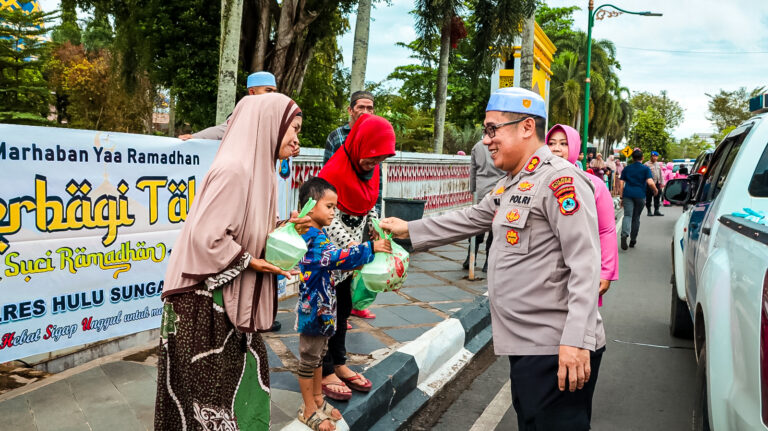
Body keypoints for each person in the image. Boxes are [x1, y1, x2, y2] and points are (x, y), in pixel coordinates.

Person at [381, 87, 605, 431]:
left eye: (492, 129)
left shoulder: (561, 181)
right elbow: (471, 218)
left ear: (526, 127)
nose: (486, 141)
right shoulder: (514, 182)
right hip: (529, 344)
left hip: (556, 345)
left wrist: (575, 342)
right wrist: (408, 229)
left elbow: (586, 266)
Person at [154, 94, 309, 430]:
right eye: (293, 128)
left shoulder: (259, 173)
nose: (297, 139)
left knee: (239, 392)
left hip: (226, 304)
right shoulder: (234, 171)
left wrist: (287, 229)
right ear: (268, 125)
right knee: (205, 405)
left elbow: (245, 232)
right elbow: (206, 239)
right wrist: (251, 261)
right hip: (201, 308)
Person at [293, 177, 391, 431]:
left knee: (319, 358)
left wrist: (357, 260)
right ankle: (308, 409)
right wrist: (370, 247)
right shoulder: (310, 237)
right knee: (308, 361)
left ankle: (318, 400)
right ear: (310, 207)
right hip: (312, 313)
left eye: (335, 207)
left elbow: (337, 261)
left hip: (325, 311)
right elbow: (334, 257)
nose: (334, 213)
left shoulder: (320, 233)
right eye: (329, 207)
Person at [318, 114, 396, 401]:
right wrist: (359, 248)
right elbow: (328, 220)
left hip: (349, 261)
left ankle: (338, 362)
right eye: (370, 158)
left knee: (344, 307)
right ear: (359, 145)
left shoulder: (370, 172)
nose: (372, 165)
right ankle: (324, 368)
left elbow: (367, 205)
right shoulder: (332, 173)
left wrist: (375, 228)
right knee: (324, 312)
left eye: (378, 160)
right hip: (328, 260)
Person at [546, 124, 618, 306]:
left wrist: (606, 271)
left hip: (580, 271)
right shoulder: (535, 181)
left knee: (579, 325)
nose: (556, 148)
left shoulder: (593, 185)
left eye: (563, 143)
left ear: (575, 148)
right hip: (541, 272)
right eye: (552, 143)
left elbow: (606, 230)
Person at [324, 91, 380, 321]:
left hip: (365, 208)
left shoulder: (374, 135)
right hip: (340, 210)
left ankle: (355, 305)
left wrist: (374, 214)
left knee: (361, 262)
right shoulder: (337, 137)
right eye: (361, 107)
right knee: (340, 263)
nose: (366, 112)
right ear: (350, 110)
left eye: (370, 108)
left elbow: (375, 175)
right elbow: (327, 176)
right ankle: (338, 314)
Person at [179, 71, 278, 141]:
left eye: (274, 91)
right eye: (268, 90)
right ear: (252, 92)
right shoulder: (245, 113)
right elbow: (222, 130)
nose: (273, 94)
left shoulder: (278, 113)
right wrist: (195, 137)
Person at [464, 140, 505, 272]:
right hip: (499, 190)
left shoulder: (477, 146)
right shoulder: (504, 144)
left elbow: (473, 170)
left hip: (481, 190)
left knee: (477, 223)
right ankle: (488, 261)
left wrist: (473, 190)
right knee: (494, 227)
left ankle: (471, 256)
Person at [620, 150, 658, 250]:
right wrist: (655, 190)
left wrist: (621, 196)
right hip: (640, 195)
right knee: (636, 217)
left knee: (627, 215)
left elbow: (621, 183)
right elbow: (650, 182)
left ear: (632, 158)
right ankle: (633, 240)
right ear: (642, 158)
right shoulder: (645, 169)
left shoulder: (627, 168)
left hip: (628, 194)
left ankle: (624, 234)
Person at [644, 151, 664, 216]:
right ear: (651, 156)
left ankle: (656, 210)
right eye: (653, 156)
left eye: (656, 156)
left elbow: (661, 174)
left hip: (657, 183)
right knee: (649, 197)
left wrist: (662, 182)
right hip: (649, 183)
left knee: (657, 197)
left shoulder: (658, 164)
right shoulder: (646, 164)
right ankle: (649, 210)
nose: (655, 158)